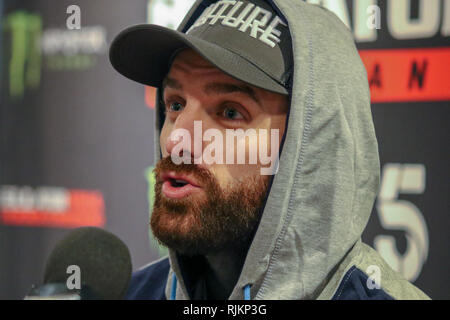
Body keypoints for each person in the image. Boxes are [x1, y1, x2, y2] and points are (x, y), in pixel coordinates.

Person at [110, 0, 430, 300]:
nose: (177, 141)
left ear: (312, 151)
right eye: (175, 104)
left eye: (230, 112)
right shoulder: (132, 293)